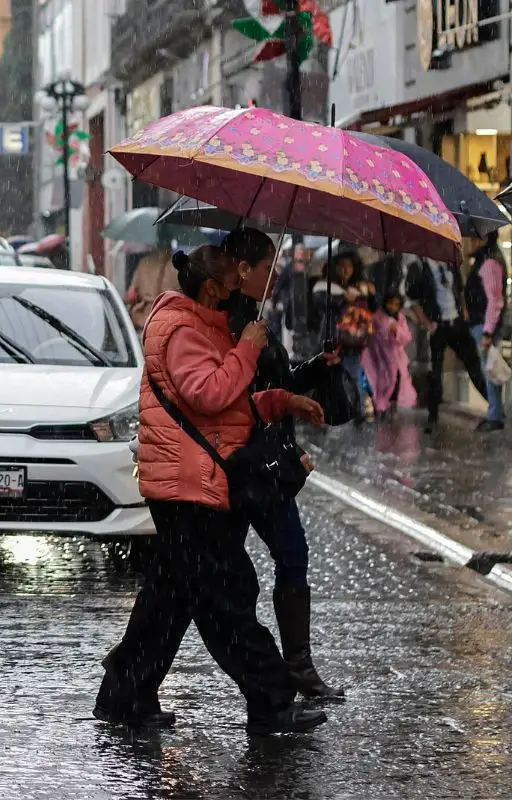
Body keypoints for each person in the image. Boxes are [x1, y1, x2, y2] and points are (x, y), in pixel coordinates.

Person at [94, 244, 328, 735]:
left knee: (171, 597)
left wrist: (282, 401)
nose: (240, 291)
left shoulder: (201, 326)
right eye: (234, 281)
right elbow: (209, 393)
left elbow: (226, 410)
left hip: (191, 483)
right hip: (187, 489)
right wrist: (247, 346)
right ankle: (271, 700)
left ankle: (125, 692)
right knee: (226, 597)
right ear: (213, 287)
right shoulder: (180, 329)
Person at [222, 227, 345, 700]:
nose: (274, 277)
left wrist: (316, 368)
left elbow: (278, 379)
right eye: (266, 267)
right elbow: (231, 392)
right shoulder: (228, 322)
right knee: (213, 575)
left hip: (263, 463)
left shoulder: (255, 318)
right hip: (247, 465)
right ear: (242, 269)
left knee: (282, 558)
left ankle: (295, 668)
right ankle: (283, 676)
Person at [406, 254, 488, 432]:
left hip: (457, 323)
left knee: (473, 364)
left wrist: (464, 311)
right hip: (438, 326)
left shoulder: (450, 263)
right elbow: (411, 300)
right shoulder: (419, 266)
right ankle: (432, 416)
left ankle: (494, 408)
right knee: (436, 371)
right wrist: (427, 324)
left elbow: (459, 289)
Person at [312, 251, 374, 418]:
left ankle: (354, 410)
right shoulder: (324, 287)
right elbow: (320, 303)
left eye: (349, 266)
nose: (345, 270)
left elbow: (371, 307)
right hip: (332, 339)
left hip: (351, 342)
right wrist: (344, 299)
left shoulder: (358, 287)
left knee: (352, 375)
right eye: (341, 266)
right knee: (331, 377)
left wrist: (368, 293)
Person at [464, 233, 507, 432]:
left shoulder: (489, 262)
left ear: (483, 238)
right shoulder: (485, 259)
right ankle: (494, 413)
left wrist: (488, 332)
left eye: (473, 238)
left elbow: (495, 301)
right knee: (488, 370)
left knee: (490, 372)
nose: (469, 242)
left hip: (484, 326)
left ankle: (495, 416)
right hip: (481, 324)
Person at [362, 292, 417, 420]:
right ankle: (381, 407)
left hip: (396, 358)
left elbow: (406, 336)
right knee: (381, 383)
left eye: (396, 304)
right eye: (390, 303)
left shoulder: (400, 318)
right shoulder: (378, 317)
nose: (393, 306)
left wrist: (396, 331)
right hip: (380, 357)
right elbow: (377, 336)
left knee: (396, 382)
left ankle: (390, 408)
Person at [124, 247, 179, 330]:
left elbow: (131, 295)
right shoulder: (176, 266)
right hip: (167, 318)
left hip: (143, 317)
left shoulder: (145, 262)